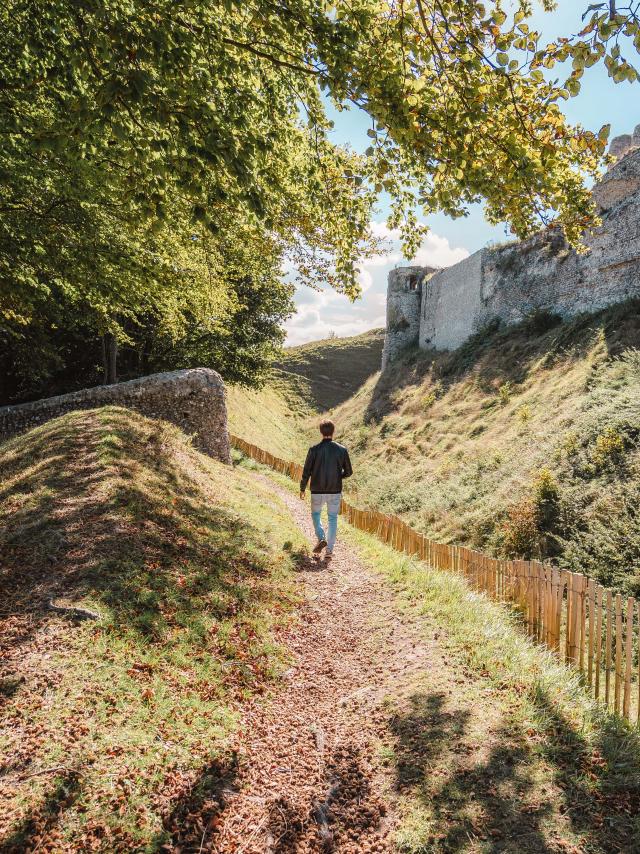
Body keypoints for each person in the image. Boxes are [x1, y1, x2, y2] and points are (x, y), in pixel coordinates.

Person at [299, 419, 353, 560]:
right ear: (333, 431)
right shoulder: (342, 450)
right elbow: (348, 472)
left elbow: (306, 471)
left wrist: (302, 488)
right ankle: (329, 550)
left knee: (316, 515)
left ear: (321, 431)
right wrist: (337, 476)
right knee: (333, 519)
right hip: (335, 491)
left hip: (317, 490)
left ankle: (321, 537)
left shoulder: (313, 450)